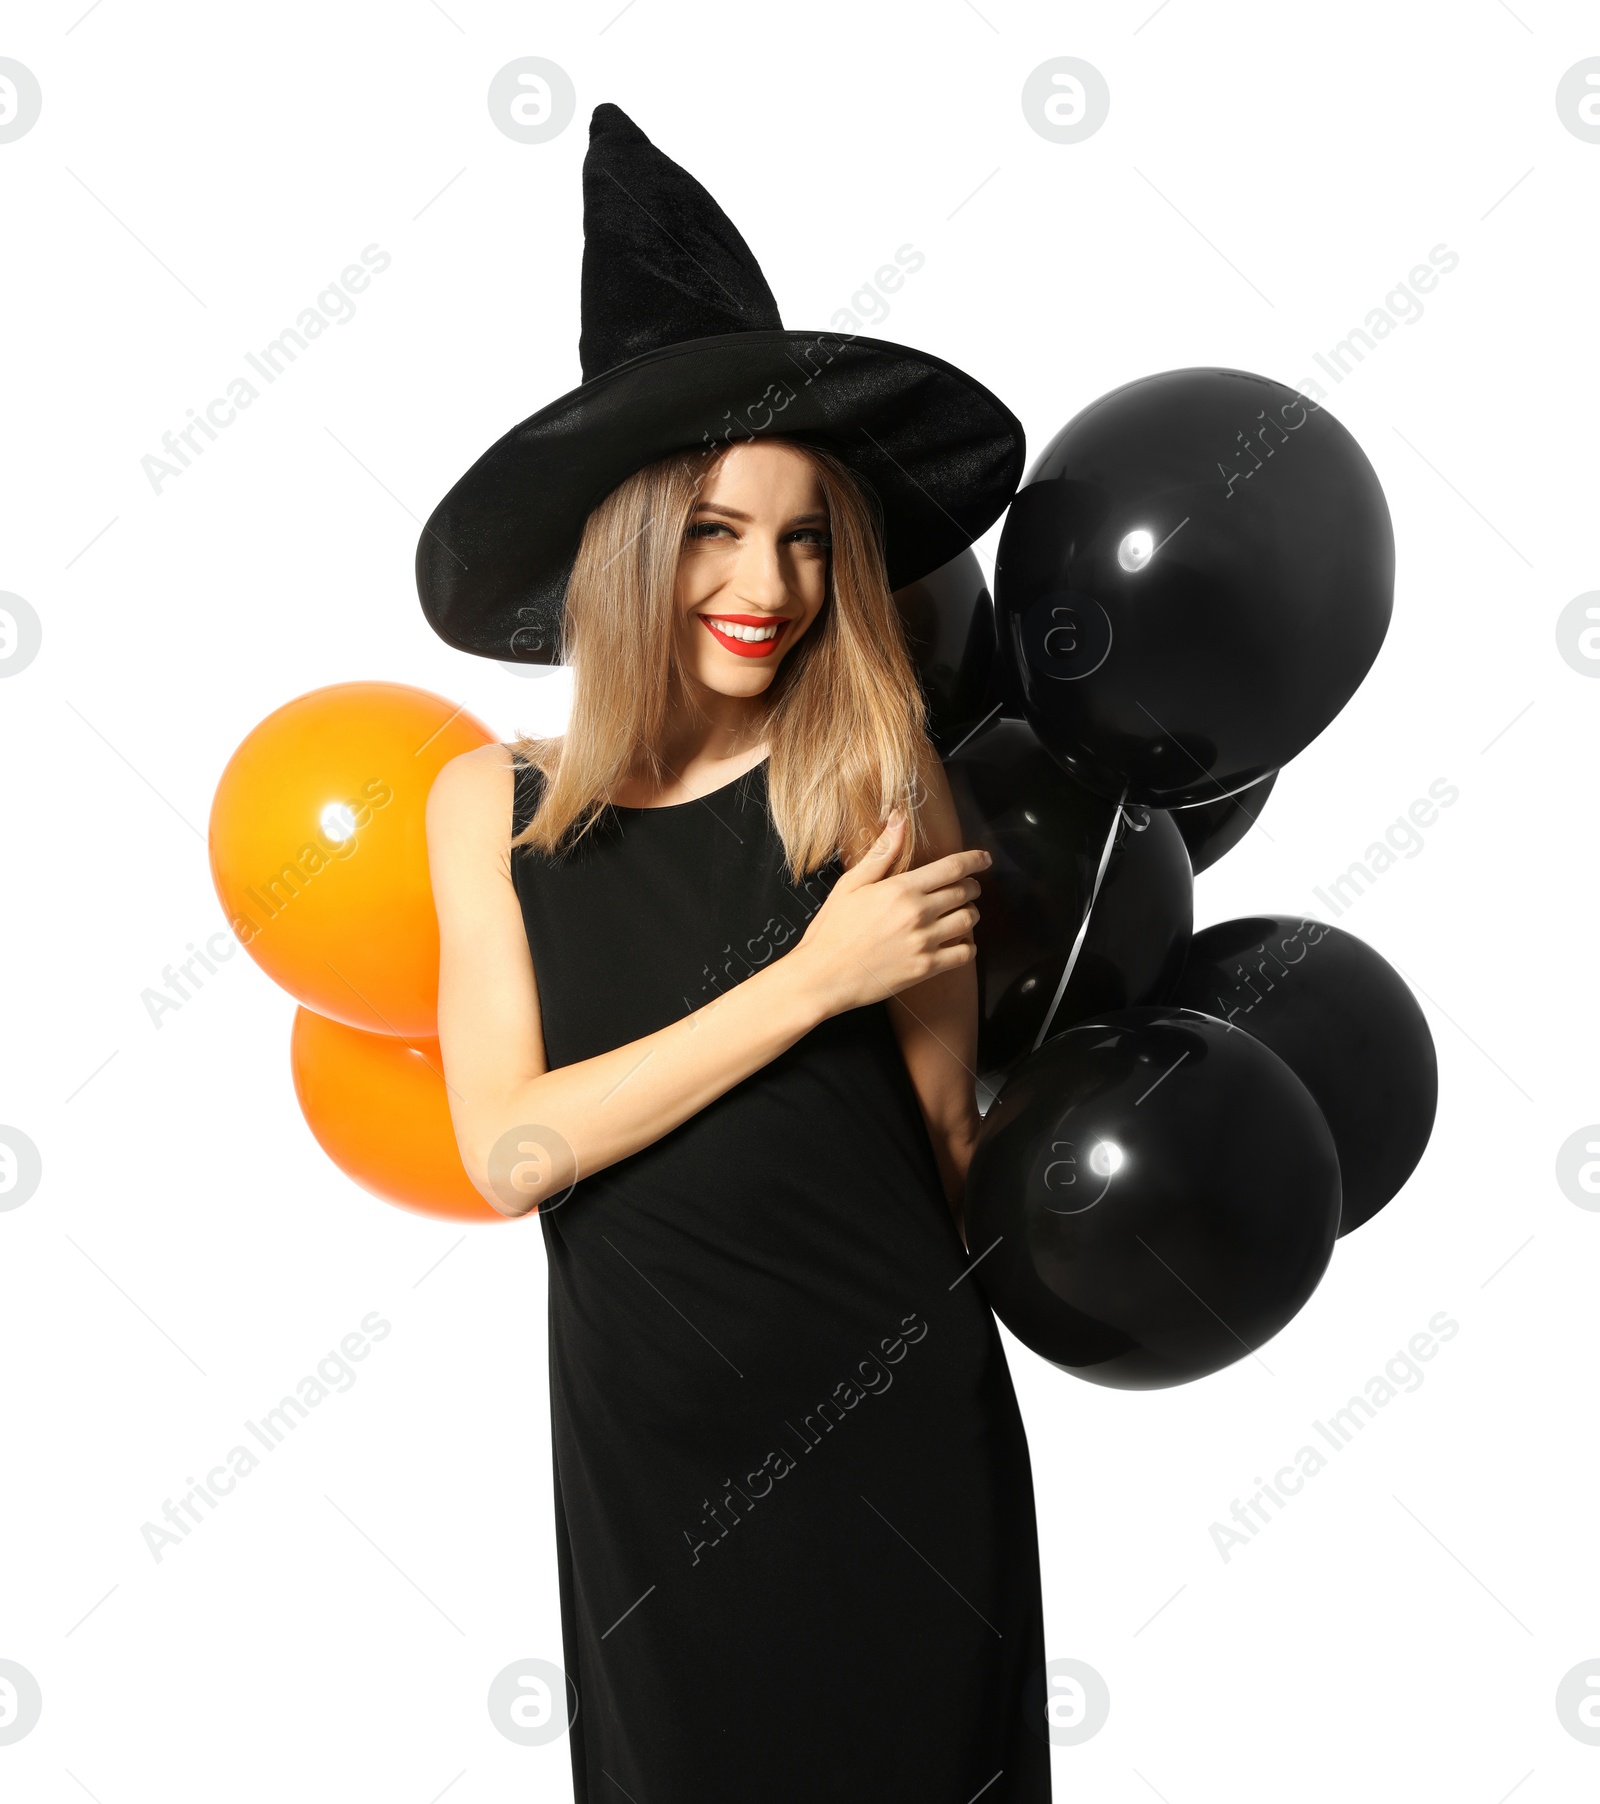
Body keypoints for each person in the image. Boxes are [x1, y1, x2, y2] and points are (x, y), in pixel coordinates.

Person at [420, 103, 1051, 1801]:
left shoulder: (877, 776)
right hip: (656, 1475)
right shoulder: (490, 807)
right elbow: (509, 1148)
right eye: (713, 527)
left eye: (803, 534)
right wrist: (808, 983)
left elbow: (943, 1152)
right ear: (632, 541)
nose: (766, 580)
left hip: (902, 1434)